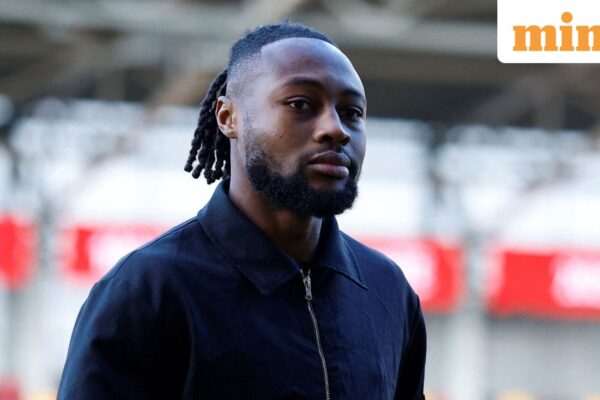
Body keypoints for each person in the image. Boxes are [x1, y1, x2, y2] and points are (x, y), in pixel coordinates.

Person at [57, 22, 426, 399]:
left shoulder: (388, 291)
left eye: (351, 112)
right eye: (300, 104)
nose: (335, 129)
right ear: (227, 117)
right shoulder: (148, 290)